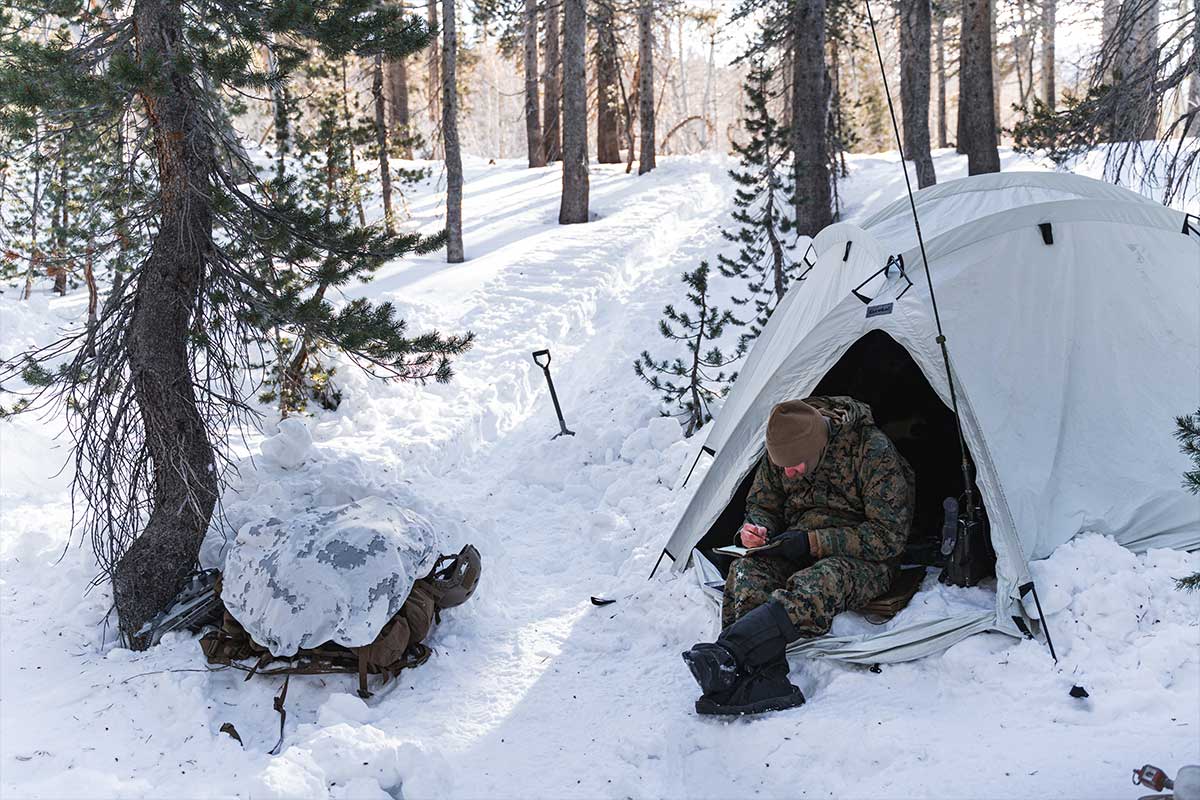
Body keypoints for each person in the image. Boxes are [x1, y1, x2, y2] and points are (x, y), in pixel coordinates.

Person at [682, 396, 915, 716]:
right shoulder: (782, 451)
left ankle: (729, 653)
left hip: (863, 560)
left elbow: (888, 538)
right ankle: (763, 679)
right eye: (783, 468)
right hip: (794, 545)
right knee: (746, 571)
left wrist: (813, 542)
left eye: (796, 466)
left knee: (818, 582)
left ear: (818, 447)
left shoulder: (871, 451)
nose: (789, 474)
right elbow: (763, 504)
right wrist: (757, 528)